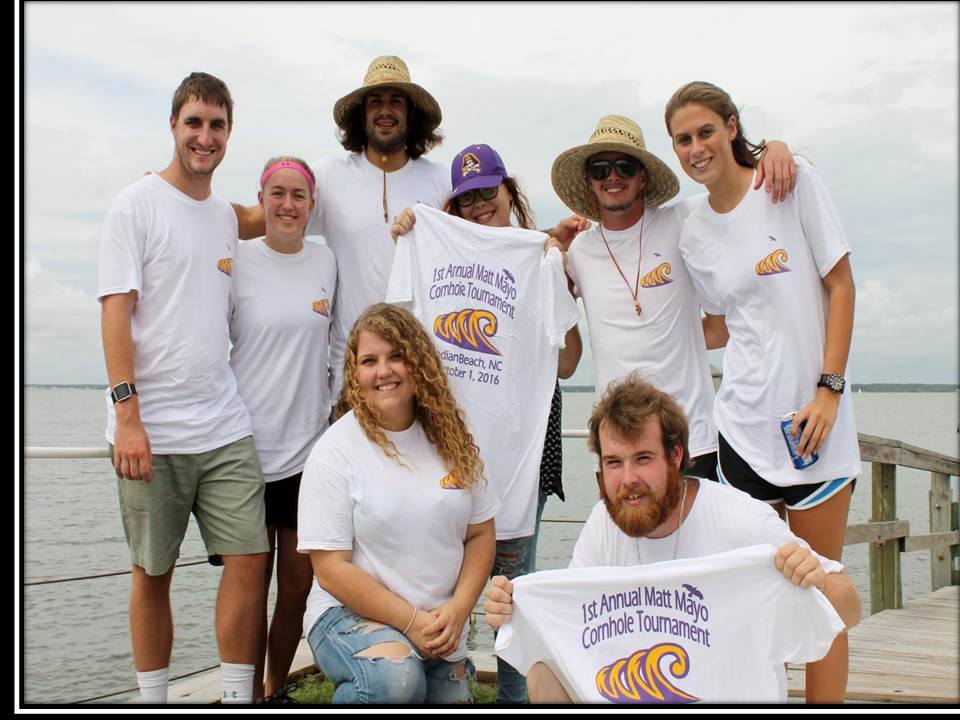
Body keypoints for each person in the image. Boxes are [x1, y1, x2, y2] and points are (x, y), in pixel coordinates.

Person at [483, 374, 862, 704]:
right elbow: (569, 623)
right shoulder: (603, 525)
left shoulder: (742, 521)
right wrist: (515, 609)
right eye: (614, 462)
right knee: (542, 674)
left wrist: (814, 579)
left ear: (676, 456)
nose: (628, 479)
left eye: (643, 458)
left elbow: (849, 607)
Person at [664, 80, 861, 703]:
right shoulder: (692, 228)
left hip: (815, 428)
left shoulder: (790, 181)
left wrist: (829, 390)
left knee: (822, 597)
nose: (696, 148)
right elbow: (722, 325)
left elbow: (842, 286)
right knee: (755, 598)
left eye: (705, 131)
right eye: (682, 140)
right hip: (742, 432)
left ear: (731, 127)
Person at [97, 72, 269, 704]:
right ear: (173, 124)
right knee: (153, 572)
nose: (205, 136)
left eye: (217, 125)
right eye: (194, 122)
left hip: (223, 424)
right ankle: (154, 701)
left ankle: (236, 698)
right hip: (152, 429)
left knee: (250, 561)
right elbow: (115, 311)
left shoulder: (225, 216)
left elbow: (286, 204)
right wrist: (128, 417)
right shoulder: (135, 205)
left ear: (229, 133)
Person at [390, 143, 582, 703]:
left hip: (523, 449)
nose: (478, 207)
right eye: (466, 200)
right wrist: (412, 235)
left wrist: (555, 271)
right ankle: (446, 690)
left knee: (512, 595)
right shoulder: (430, 247)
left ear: (509, 192)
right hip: (448, 452)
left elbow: (568, 363)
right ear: (452, 208)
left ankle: (515, 700)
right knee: (441, 581)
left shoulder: (539, 255)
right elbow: (401, 325)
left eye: (487, 194)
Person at [550, 115, 798, 480]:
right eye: (600, 170)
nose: (612, 177)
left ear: (643, 176)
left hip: (692, 438)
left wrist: (773, 148)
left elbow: (739, 188)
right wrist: (550, 237)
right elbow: (524, 269)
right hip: (618, 447)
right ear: (589, 180)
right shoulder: (578, 252)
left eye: (624, 167)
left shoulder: (683, 220)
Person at [296, 303, 499, 704]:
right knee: (396, 682)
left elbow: (480, 533)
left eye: (395, 356)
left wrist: (460, 608)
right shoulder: (335, 450)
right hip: (348, 614)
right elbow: (331, 569)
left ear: (418, 362)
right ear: (354, 373)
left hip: (438, 623)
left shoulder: (452, 437)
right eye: (369, 361)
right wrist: (410, 622)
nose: (383, 371)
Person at [233, 55, 450, 405]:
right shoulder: (329, 177)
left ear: (411, 113)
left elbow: (484, 242)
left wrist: (541, 243)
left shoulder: (441, 181)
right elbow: (253, 220)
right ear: (361, 113)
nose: (385, 110)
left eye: (396, 101)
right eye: (375, 101)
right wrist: (177, 195)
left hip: (420, 372)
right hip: (350, 377)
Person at [228, 156, 337, 703]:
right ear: (261, 199)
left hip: (307, 453)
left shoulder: (326, 262)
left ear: (312, 205)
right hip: (243, 451)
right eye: (278, 194)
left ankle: (275, 690)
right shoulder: (236, 260)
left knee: (297, 587)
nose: (288, 205)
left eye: (298, 195)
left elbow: (338, 343)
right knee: (248, 590)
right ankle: (244, 694)